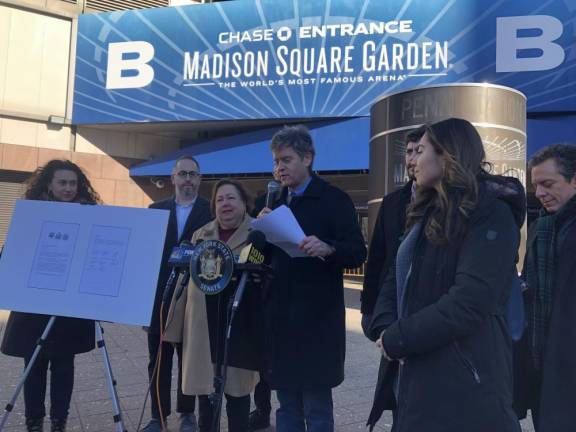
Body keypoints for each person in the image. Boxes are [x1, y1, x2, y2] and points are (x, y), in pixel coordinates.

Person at [367, 118, 525, 432]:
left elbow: (470, 301)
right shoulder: (426, 211)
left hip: (465, 384)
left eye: (420, 150)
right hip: (415, 374)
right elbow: (394, 277)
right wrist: (385, 327)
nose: (412, 160)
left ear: (446, 154)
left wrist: (400, 337)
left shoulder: (491, 212)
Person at [258, 125, 366, 432]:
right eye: (276, 161)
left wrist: (329, 248)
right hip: (280, 320)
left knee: (317, 409)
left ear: (307, 158)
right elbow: (258, 258)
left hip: (316, 321)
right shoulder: (273, 201)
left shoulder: (334, 199)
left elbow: (358, 252)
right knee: (287, 407)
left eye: (286, 159)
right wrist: (260, 233)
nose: (279, 167)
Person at [1, 159, 101, 432]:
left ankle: (59, 422)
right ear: (49, 185)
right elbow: (12, 254)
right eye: (63, 182)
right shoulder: (31, 215)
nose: (69, 188)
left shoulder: (90, 214)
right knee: (33, 366)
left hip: (69, 308)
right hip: (34, 306)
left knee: (64, 366)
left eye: (73, 183)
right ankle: (34, 423)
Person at [164, 179, 265, 432]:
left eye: (231, 198)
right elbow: (184, 285)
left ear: (244, 203)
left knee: (237, 398)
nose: (225, 204)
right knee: (205, 397)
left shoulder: (259, 233)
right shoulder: (201, 235)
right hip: (203, 327)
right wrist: (173, 327)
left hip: (240, 326)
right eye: (219, 200)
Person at [143, 156, 213, 432]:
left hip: (192, 299)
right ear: (172, 178)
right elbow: (145, 259)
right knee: (158, 360)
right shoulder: (154, 210)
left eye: (193, 174)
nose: (187, 180)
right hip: (158, 299)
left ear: (199, 179)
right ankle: (157, 416)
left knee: (188, 358)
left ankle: (187, 414)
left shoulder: (210, 211)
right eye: (182, 174)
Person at [514, 144, 576, 432]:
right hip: (544, 370)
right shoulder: (542, 229)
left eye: (547, 184)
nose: (538, 193)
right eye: (536, 185)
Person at [361, 126, 425, 336]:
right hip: (392, 308)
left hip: (425, 307)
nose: (412, 158)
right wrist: (369, 307)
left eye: (419, 151)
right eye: (409, 152)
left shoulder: (447, 203)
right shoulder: (391, 203)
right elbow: (377, 257)